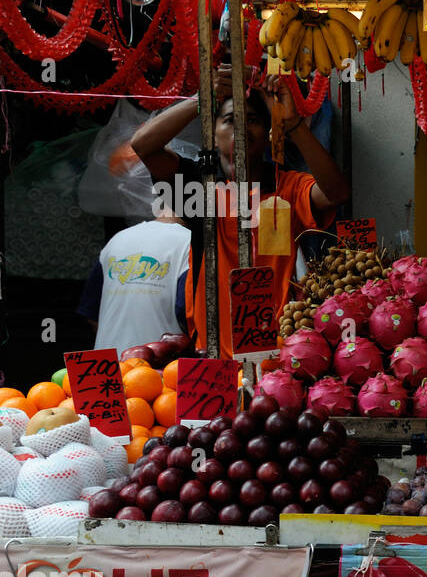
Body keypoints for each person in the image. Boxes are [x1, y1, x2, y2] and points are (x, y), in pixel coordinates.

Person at [130, 66, 349, 358]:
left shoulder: (288, 187)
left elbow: (336, 192)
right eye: (231, 120)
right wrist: (201, 100)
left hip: (278, 353)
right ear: (214, 130)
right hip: (212, 355)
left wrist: (292, 123)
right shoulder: (200, 186)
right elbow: (143, 145)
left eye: (254, 120)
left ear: (268, 131)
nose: (243, 129)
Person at [77, 216, 190, 357]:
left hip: (104, 369)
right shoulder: (190, 243)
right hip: (157, 370)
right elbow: (189, 314)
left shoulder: (118, 239)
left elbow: (91, 313)